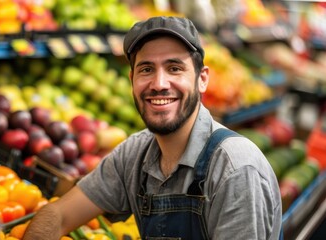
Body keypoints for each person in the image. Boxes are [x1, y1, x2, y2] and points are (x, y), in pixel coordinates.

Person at [23, 16, 282, 240]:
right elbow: (57, 214)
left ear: (202, 79)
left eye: (174, 68)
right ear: (132, 79)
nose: (159, 83)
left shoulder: (235, 169)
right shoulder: (135, 154)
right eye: (146, 69)